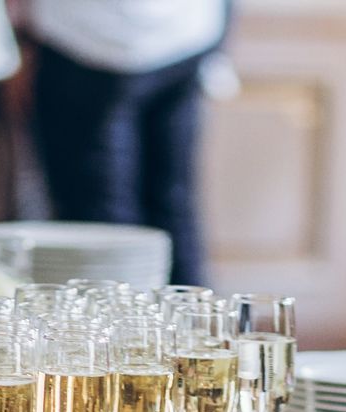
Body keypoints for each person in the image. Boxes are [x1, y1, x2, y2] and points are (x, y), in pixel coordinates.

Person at [27, 0, 227, 286]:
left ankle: (129, 326)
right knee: (172, 205)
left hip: (91, 38)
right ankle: (194, 324)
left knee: (103, 223)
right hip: (186, 31)